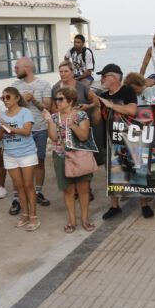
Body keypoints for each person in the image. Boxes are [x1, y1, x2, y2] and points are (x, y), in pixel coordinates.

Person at [90, 64, 155, 219]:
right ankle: (115, 206)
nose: (101, 79)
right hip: (111, 141)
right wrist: (98, 107)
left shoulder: (127, 91)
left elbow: (132, 110)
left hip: (130, 140)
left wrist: (111, 105)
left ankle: (144, 204)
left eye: (104, 76)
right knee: (112, 175)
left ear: (113, 77)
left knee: (137, 171)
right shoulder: (104, 96)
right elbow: (97, 121)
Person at [43, 87, 95, 233]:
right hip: (61, 156)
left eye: (61, 99)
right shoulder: (54, 117)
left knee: (83, 189)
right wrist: (49, 121)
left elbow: (84, 136)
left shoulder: (81, 115)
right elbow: (53, 137)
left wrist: (71, 124)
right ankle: (72, 220)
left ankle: (84, 219)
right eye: (56, 99)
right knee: (68, 190)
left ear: (70, 101)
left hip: (80, 156)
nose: (57, 102)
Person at [0, 87, 40, 231]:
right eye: (3, 98)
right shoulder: (1, 116)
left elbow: (27, 132)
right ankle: (25, 214)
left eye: (8, 97)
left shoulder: (25, 112)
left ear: (17, 98)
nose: (5, 100)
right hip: (10, 155)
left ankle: (34, 216)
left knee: (28, 185)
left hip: (27, 153)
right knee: (19, 186)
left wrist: (8, 127)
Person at [11, 57, 52, 212]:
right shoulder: (15, 86)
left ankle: (38, 191)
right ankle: (18, 196)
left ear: (27, 68)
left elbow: (46, 107)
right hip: (21, 131)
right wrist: (25, 102)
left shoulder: (43, 84)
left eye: (17, 68)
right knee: (19, 163)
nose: (15, 70)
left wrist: (32, 99)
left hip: (40, 129)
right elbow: (13, 109)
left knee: (39, 162)